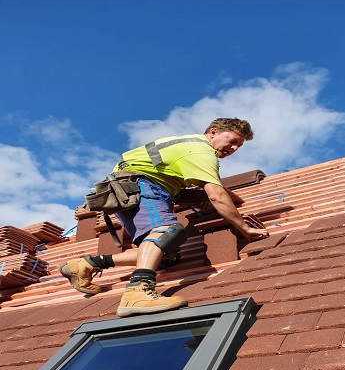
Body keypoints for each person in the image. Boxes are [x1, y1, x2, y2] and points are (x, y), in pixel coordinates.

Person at [58, 118, 269, 317]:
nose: (233, 149)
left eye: (238, 146)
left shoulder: (188, 146)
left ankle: (87, 264)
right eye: (232, 141)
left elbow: (183, 186)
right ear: (213, 132)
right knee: (167, 231)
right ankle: (137, 294)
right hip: (142, 186)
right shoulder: (200, 151)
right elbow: (217, 195)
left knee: (163, 254)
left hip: (127, 191)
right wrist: (245, 229)